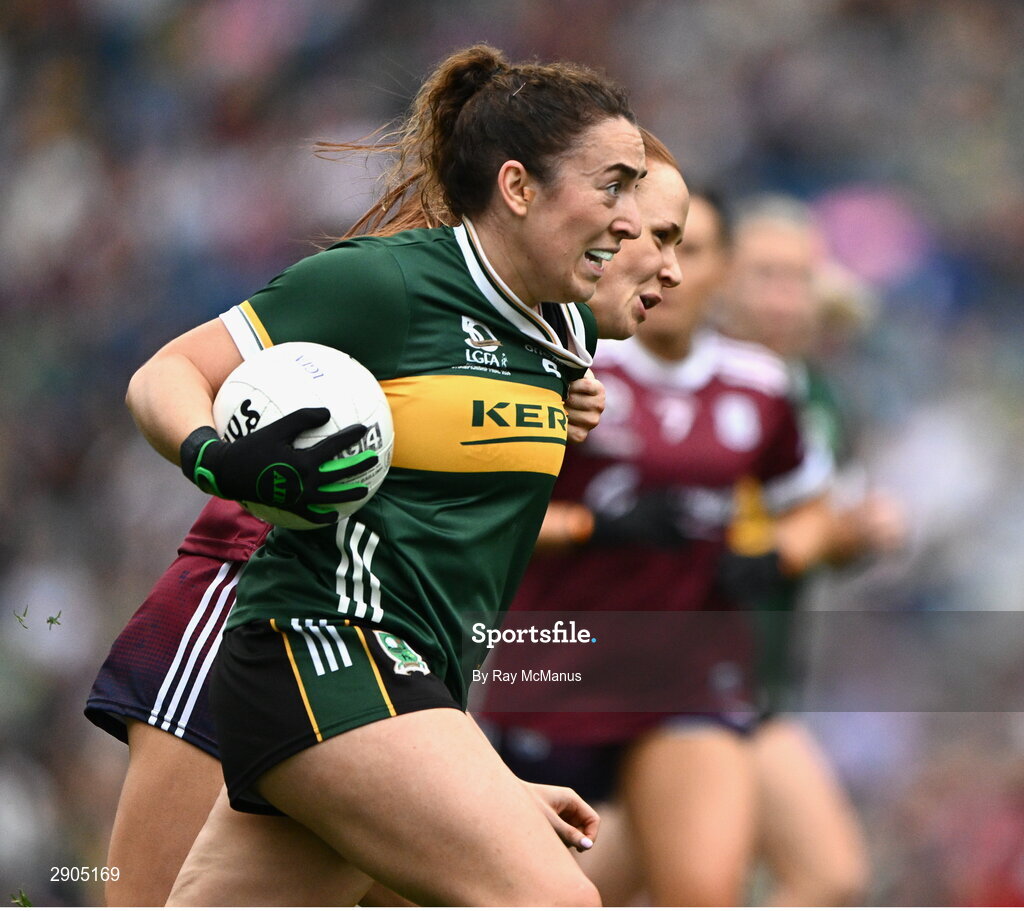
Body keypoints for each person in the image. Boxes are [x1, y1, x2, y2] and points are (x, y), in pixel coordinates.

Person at [109, 41, 683, 906]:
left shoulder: (566, 330)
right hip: (324, 649)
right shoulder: (383, 285)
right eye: (614, 185)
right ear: (519, 188)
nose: (631, 217)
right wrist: (215, 454)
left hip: (405, 683)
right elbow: (163, 373)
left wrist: (469, 778)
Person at [477, 185, 840, 907]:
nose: (663, 265)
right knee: (537, 894)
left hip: (691, 678)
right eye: (647, 240)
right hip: (556, 671)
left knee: (707, 892)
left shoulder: (762, 385)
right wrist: (591, 526)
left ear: (724, 270)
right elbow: (488, 515)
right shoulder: (567, 369)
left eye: (688, 248)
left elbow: (810, 504)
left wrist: (779, 556)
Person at [714, 194, 907, 906]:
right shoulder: (689, 379)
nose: (785, 297)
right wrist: (836, 529)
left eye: (799, 277)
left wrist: (855, 534)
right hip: (668, 676)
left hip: (759, 678)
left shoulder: (820, 399)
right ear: (719, 281)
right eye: (765, 273)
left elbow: (811, 539)